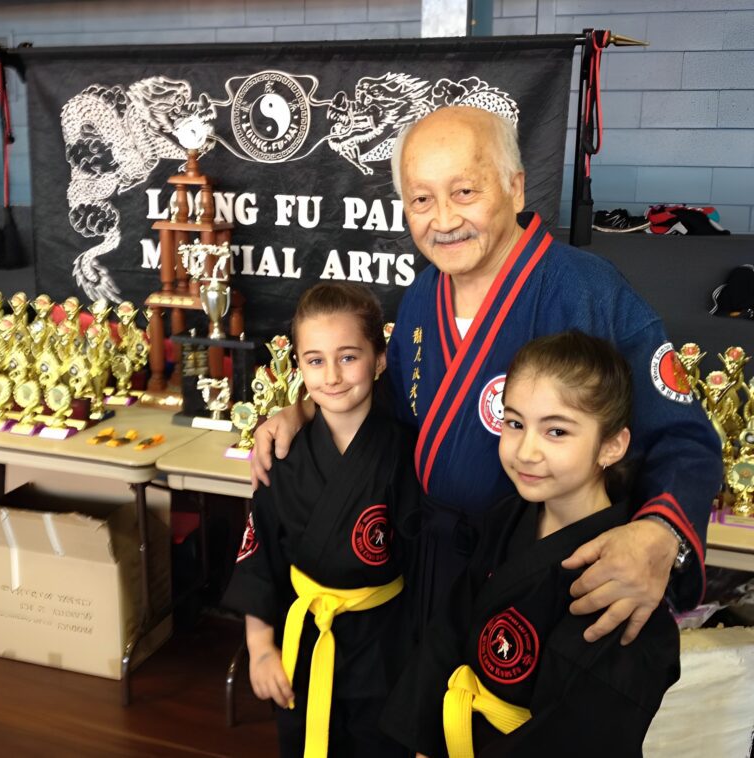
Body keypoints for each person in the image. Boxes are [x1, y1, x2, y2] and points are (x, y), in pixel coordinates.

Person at [252, 105, 721, 646]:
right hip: (429, 573)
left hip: (547, 579)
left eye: (465, 192)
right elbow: (395, 408)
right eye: (421, 199)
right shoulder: (422, 295)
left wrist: (660, 535)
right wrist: (305, 408)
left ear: (516, 189)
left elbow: (686, 439)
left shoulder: (589, 292)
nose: (444, 220)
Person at [381, 331, 680, 758]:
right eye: (515, 423)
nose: (526, 451)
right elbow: (449, 630)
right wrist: (425, 738)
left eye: (556, 431)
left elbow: (577, 735)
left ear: (611, 446)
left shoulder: (620, 577)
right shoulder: (508, 516)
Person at [222, 282, 418, 758]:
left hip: (384, 650)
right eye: (315, 360)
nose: (331, 375)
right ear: (299, 366)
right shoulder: (282, 453)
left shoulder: (405, 452)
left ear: (380, 359)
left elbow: (425, 568)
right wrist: (261, 646)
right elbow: (260, 554)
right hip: (303, 647)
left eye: (348, 357)